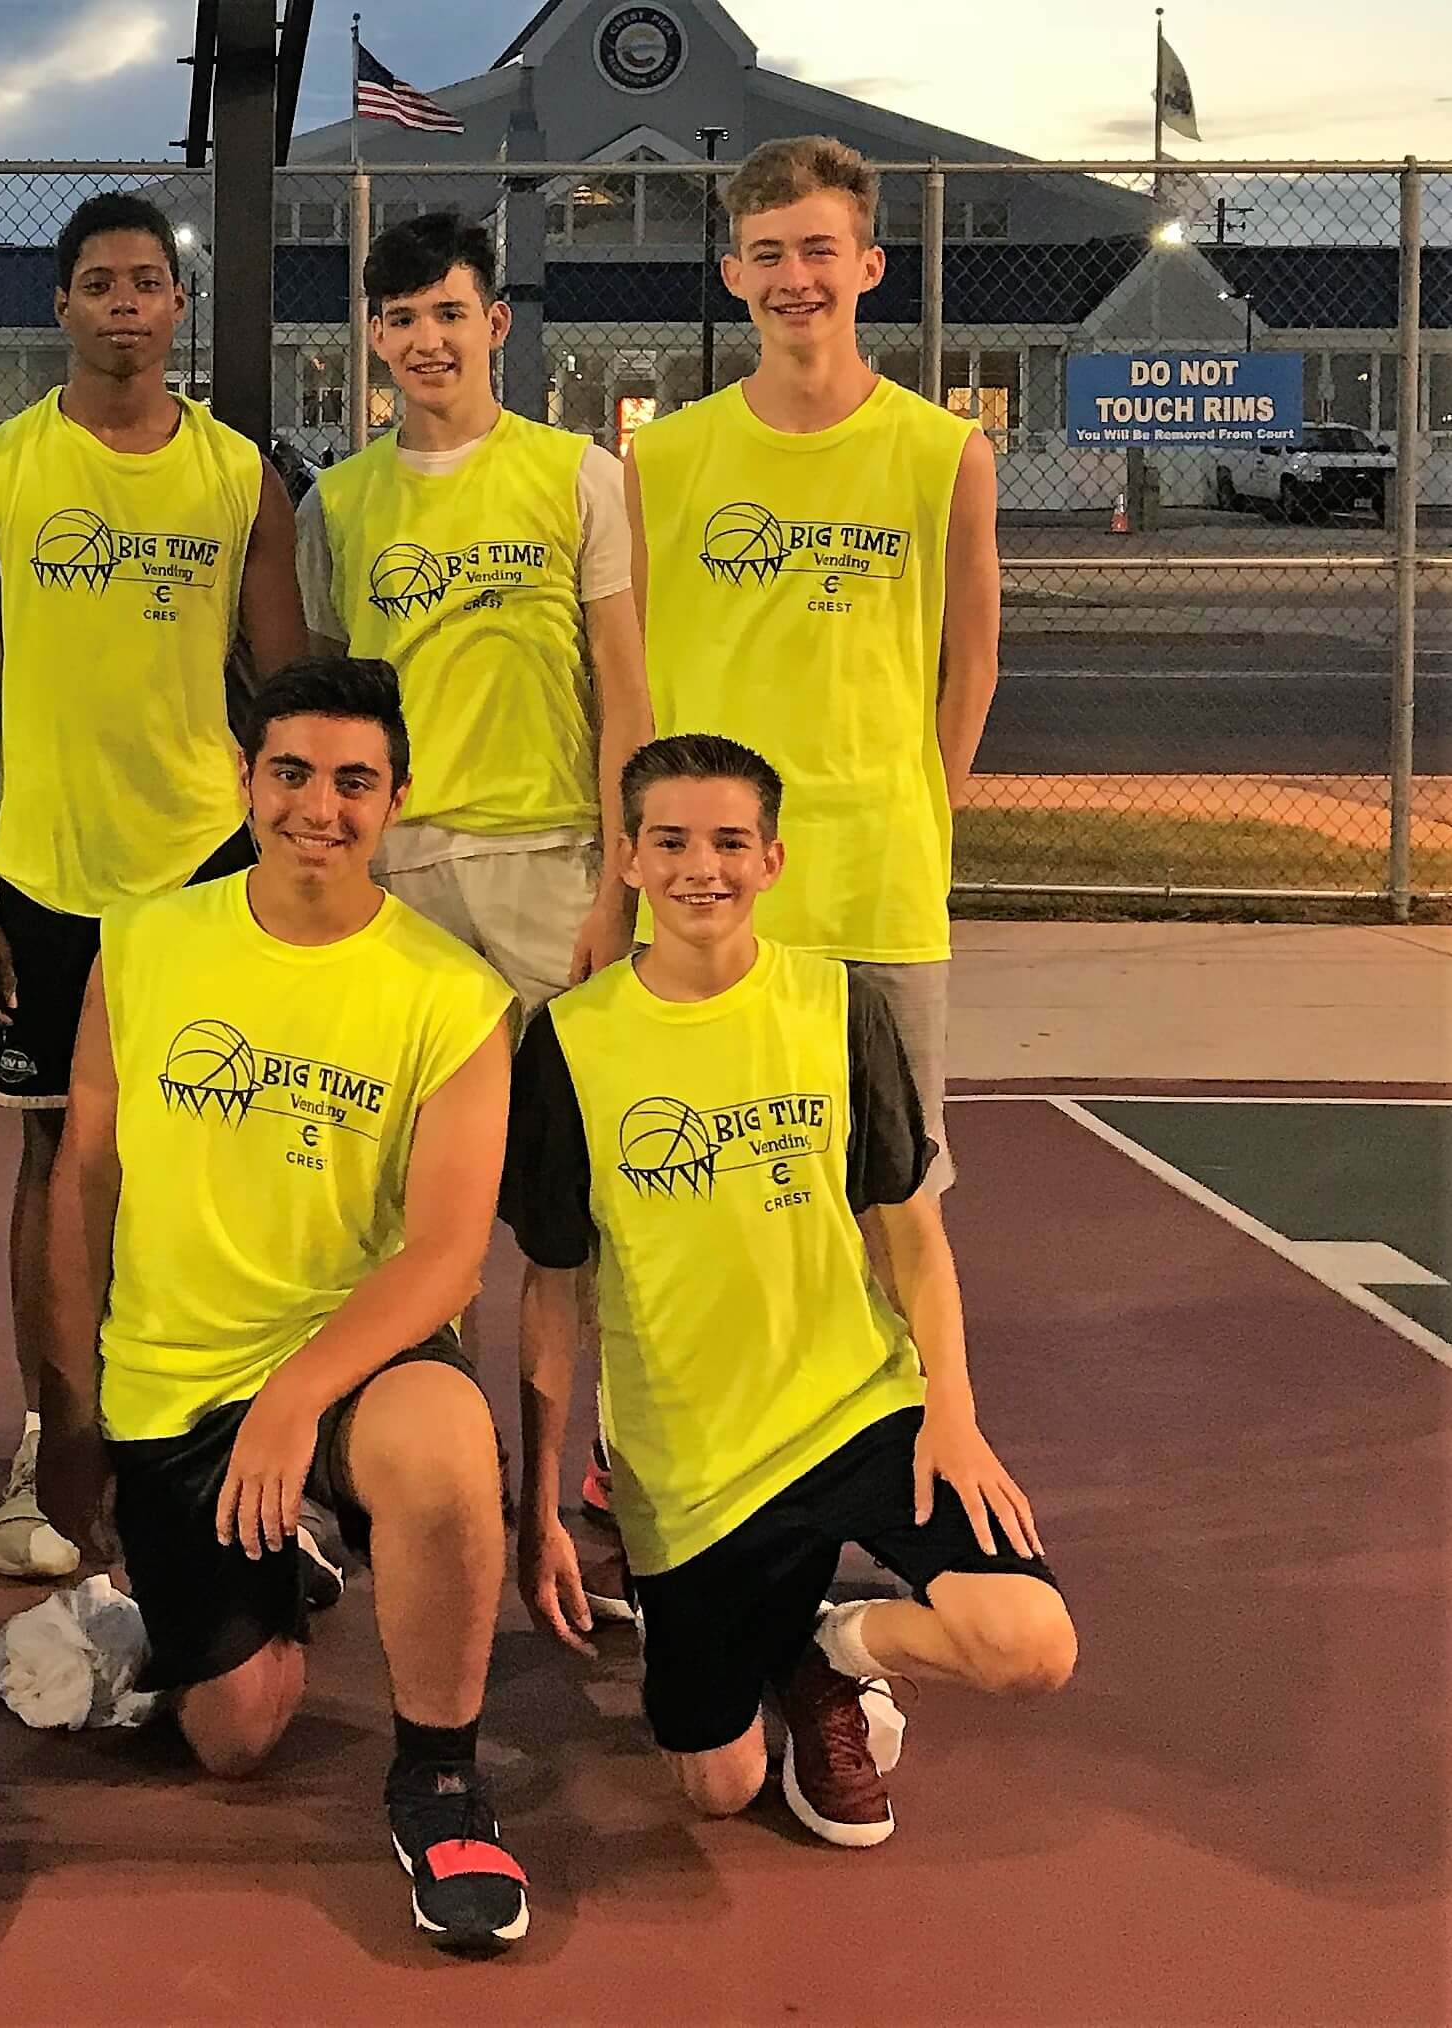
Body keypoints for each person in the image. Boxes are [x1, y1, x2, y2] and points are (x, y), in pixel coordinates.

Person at [36, 656, 530, 1951]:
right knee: (238, 1731)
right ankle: (247, 1566)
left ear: (395, 798)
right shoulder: (140, 946)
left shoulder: (452, 994)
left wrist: (300, 1394)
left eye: (353, 781)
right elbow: (88, 1178)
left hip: (350, 1355)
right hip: (173, 1378)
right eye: (292, 773)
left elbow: (443, 1256)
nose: (320, 804)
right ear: (246, 782)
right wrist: (80, 1406)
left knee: (441, 1455)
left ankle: (438, 1781)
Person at [506, 733, 1075, 1849]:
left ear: (772, 859)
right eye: (668, 841)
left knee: (1028, 1644)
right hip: (694, 1471)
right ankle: (774, 1646)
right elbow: (550, 1289)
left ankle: (840, 1650)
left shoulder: (837, 1004)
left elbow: (912, 1237)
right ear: (626, 859)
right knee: (718, 1785)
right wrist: (539, 1508)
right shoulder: (571, 1043)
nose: (698, 868)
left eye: (728, 841)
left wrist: (951, 1413)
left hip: (858, 1409)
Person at [0, 191, 308, 1582]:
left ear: (174, 307)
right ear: (63, 308)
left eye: (146, 283)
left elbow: (283, 687)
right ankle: (56, 1434)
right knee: (51, 1159)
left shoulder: (234, 476)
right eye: (97, 284)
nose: (123, 305)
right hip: (45, 873)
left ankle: (198, 1420)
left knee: (193, 1157)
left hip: (200, 871)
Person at [300, 209, 651, 1530]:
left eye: (448, 313)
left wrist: (617, 888)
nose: (424, 340)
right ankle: (411, 1459)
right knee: (398, 1199)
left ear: (493, 323)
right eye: (398, 321)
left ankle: (615, 1458)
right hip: (401, 889)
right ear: (373, 341)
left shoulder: (575, 478)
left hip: (550, 870)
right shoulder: (338, 502)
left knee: (580, 1197)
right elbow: (333, 721)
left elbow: (626, 696)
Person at [626, 137, 1000, 1201]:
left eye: (821, 250)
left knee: (895, 1193)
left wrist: (923, 812)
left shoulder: (944, 454)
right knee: (709, 1186)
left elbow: (970, 668)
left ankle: (912, 1379)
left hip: (878, 884)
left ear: (868, 267)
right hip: (711, 890)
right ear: (734, 273)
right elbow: (628, 676)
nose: (798, 278)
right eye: (770, 253)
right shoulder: (659, 461)